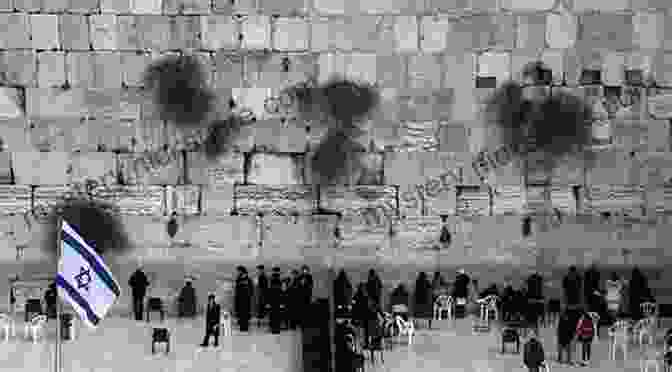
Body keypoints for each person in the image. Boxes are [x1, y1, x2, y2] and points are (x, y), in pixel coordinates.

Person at [234, 266, 253, 331]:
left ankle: (245, 328)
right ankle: (242, 328)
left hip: (246, 300)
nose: (238, 272)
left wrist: (248, 297)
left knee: (245, 315)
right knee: (240, 315)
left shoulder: (248, 280)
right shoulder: (238, 279)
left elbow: (251, 291)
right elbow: (237, 290)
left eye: (238, 271)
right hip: (239, 300)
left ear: (242, 271)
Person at [268, 267, 283, 334]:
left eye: (277, 271)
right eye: (274, 271)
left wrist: (282, 302)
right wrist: (268, 302)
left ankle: (276, 329)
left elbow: (283, 292)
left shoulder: (280, 281)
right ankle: (274, 329)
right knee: (273, 315)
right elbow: (268, 292)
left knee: (277, 315)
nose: (275, 273)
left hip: (278, 300)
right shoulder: (271, 280)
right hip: (273, 300)